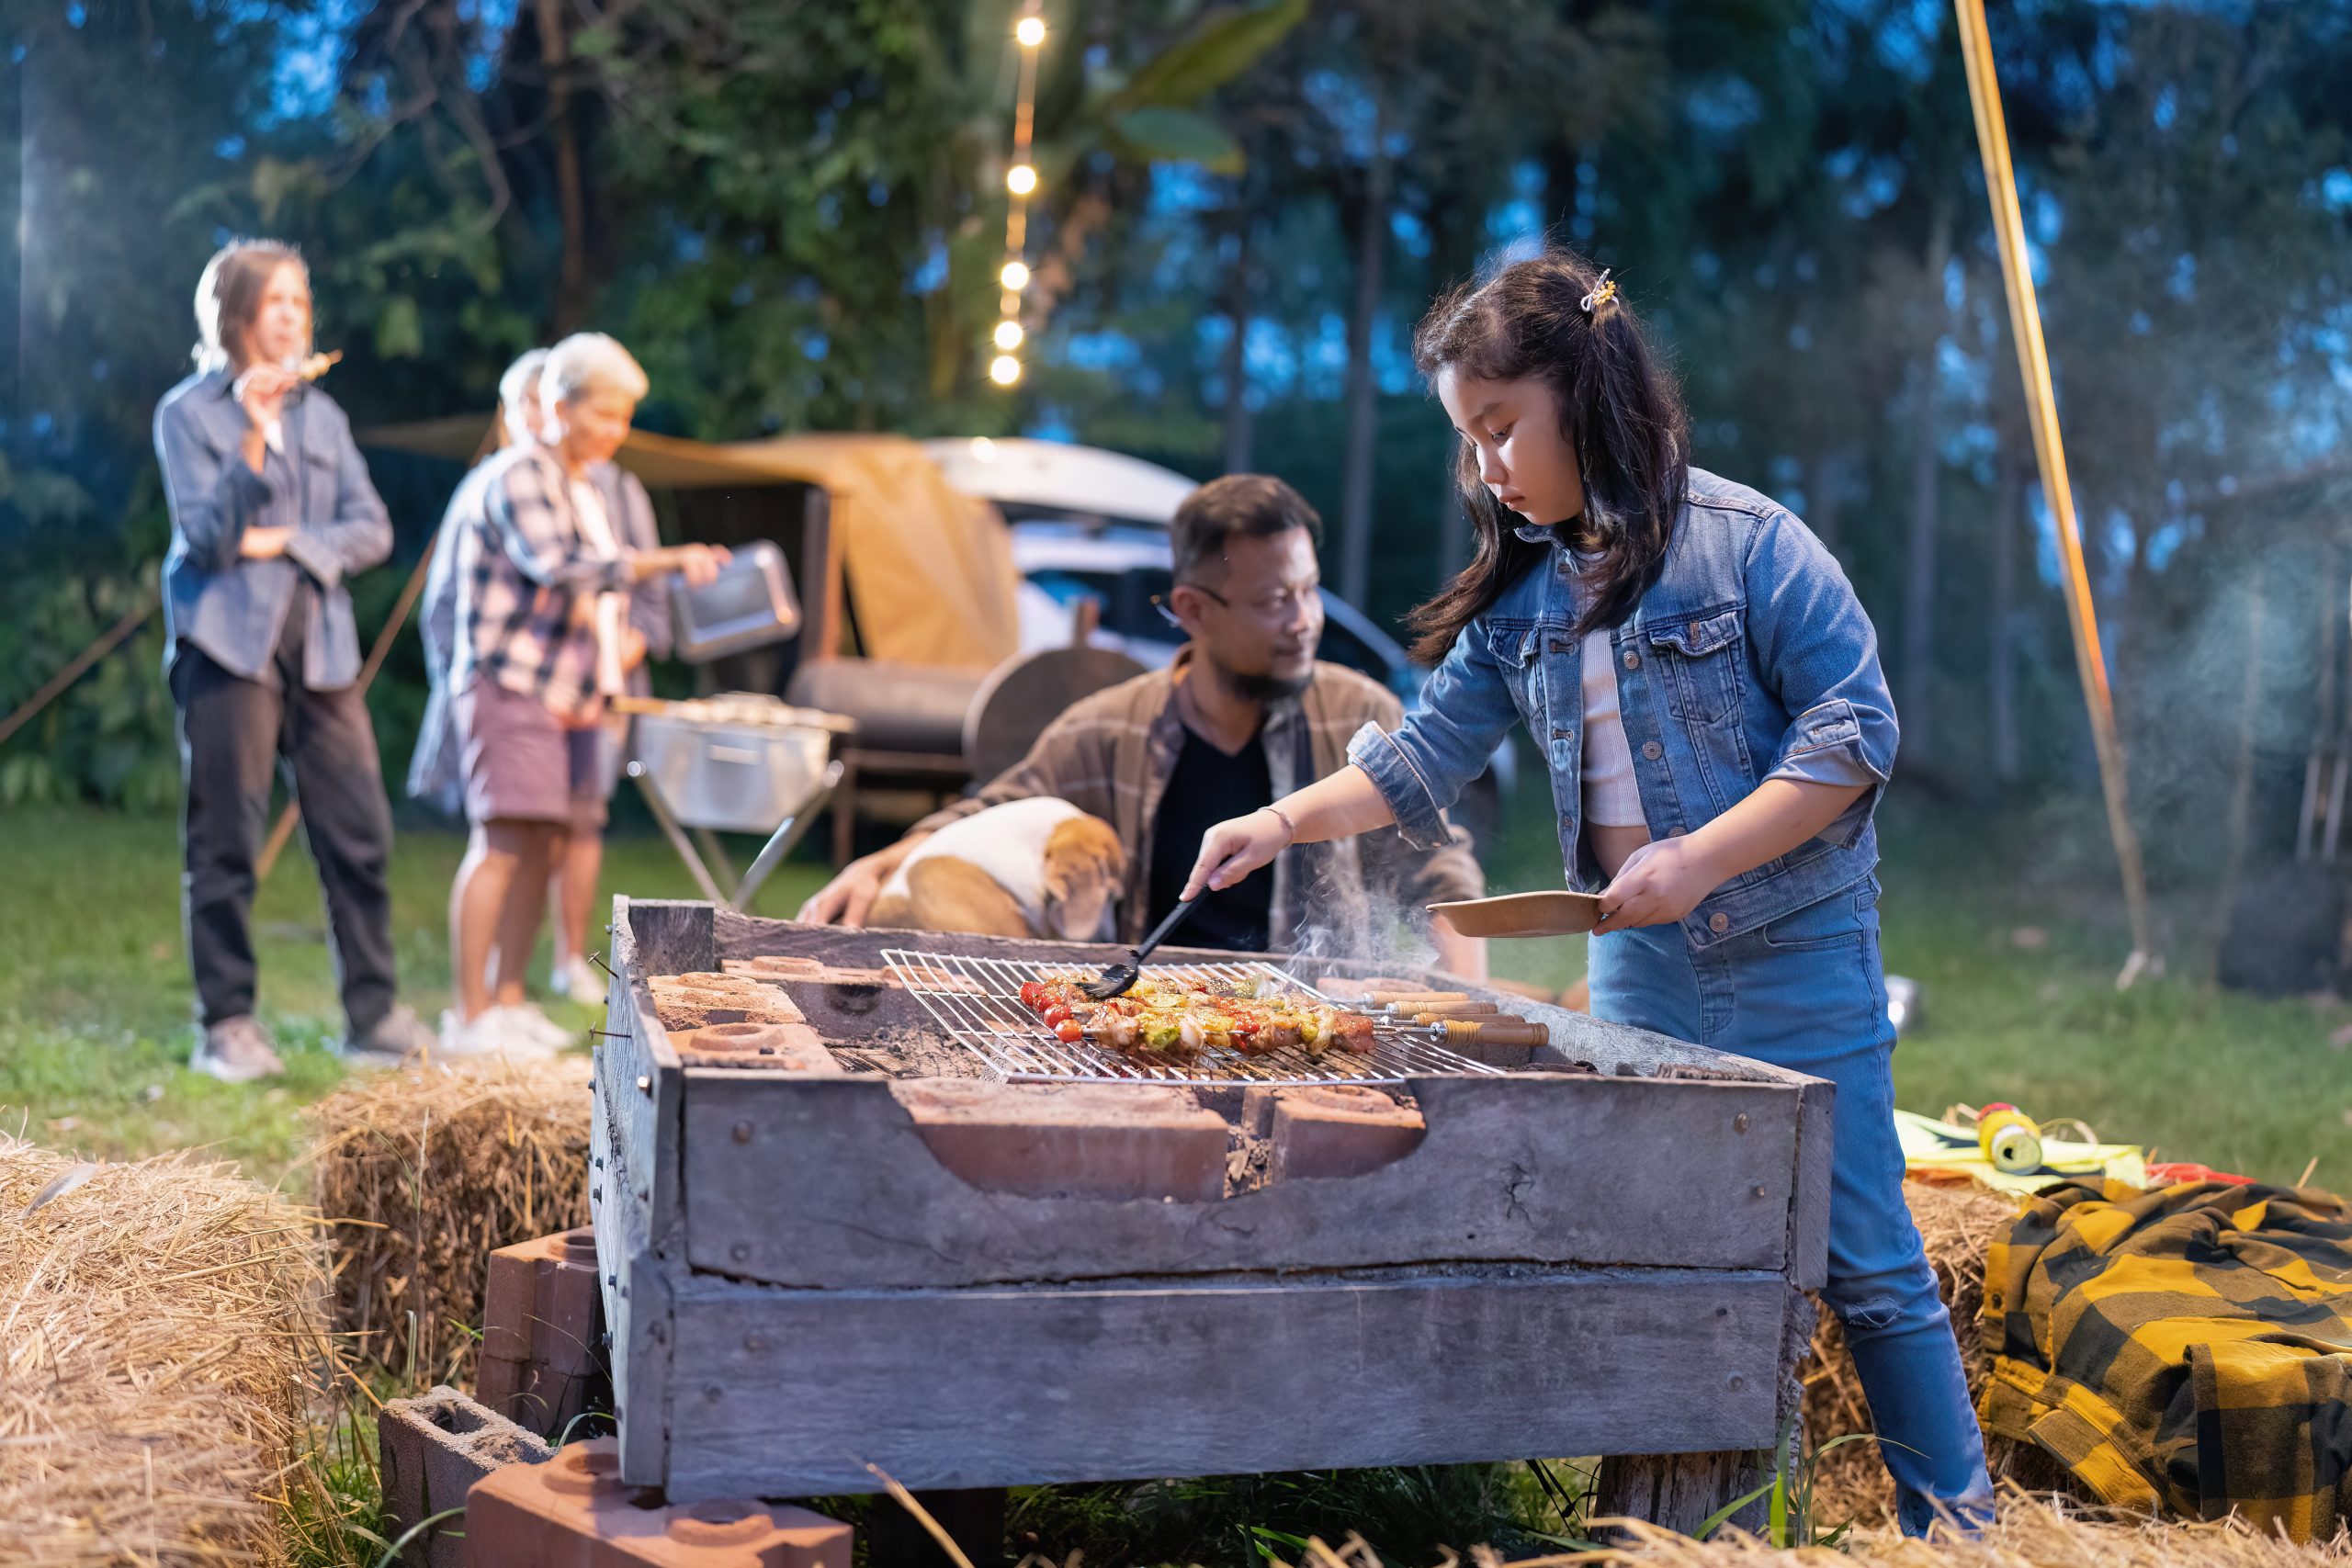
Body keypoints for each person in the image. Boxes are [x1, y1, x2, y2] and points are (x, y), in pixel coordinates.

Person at [1182, 252, 1995, 1538]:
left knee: (1873, 1265)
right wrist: (1267, 825)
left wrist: (1697, 861)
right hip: (1639, 969)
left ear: (1582, 389)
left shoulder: (1751, 546)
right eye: (1470, 441)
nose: (1489, 467)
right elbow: (1417, 762)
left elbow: (1853, 737)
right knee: (1667, 1255)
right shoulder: (1522, 596)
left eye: (1502, 426)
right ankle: (1692, 1532)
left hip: (1793, 953)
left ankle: (1961, 1532)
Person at [799, 474, 1488, 977]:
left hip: (1307, 1032)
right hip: (1150, 1021)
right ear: (1192, 608)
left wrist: (1468, 988)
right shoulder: (1106, 731)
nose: (1305, 621)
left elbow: (1439, 864)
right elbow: (992, 808)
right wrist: (881, 862)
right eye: (1276, 600)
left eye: (1308, 590)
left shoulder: (1357, 713)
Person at [153, 239, 438, 1080]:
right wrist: (249, 432)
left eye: (300, 301)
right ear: (237, 313)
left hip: (321, 648)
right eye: (276, 300)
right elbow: (205, 540)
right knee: (226, 839)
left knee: (358, 831)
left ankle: (374, 1013)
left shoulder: (324, 416)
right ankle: (228, 1023)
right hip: (226, 647)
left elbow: (373, 528)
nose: (292, 314)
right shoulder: (188, 413)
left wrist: (281, 541)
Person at [441, 333, 726, 1056]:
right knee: (501, 844)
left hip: (555, 696)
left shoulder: (576, 482)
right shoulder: (518, 474)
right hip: (506, 684)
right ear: (562, 407)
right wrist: (669, 561)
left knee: (541, 844)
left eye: (626, 417)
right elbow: (563, 567)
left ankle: (508, 1000)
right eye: (606, 414)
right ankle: (468, 1013)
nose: (617, 432)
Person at [546, 449, 671, 1001]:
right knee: (527, 823)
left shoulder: (622, 490)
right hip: (539, 682)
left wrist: (615, 659)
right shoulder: (524, 480)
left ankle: (568, 959)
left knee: (584, 817)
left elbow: (650, 595)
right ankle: (503, 976)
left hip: (604, 685)